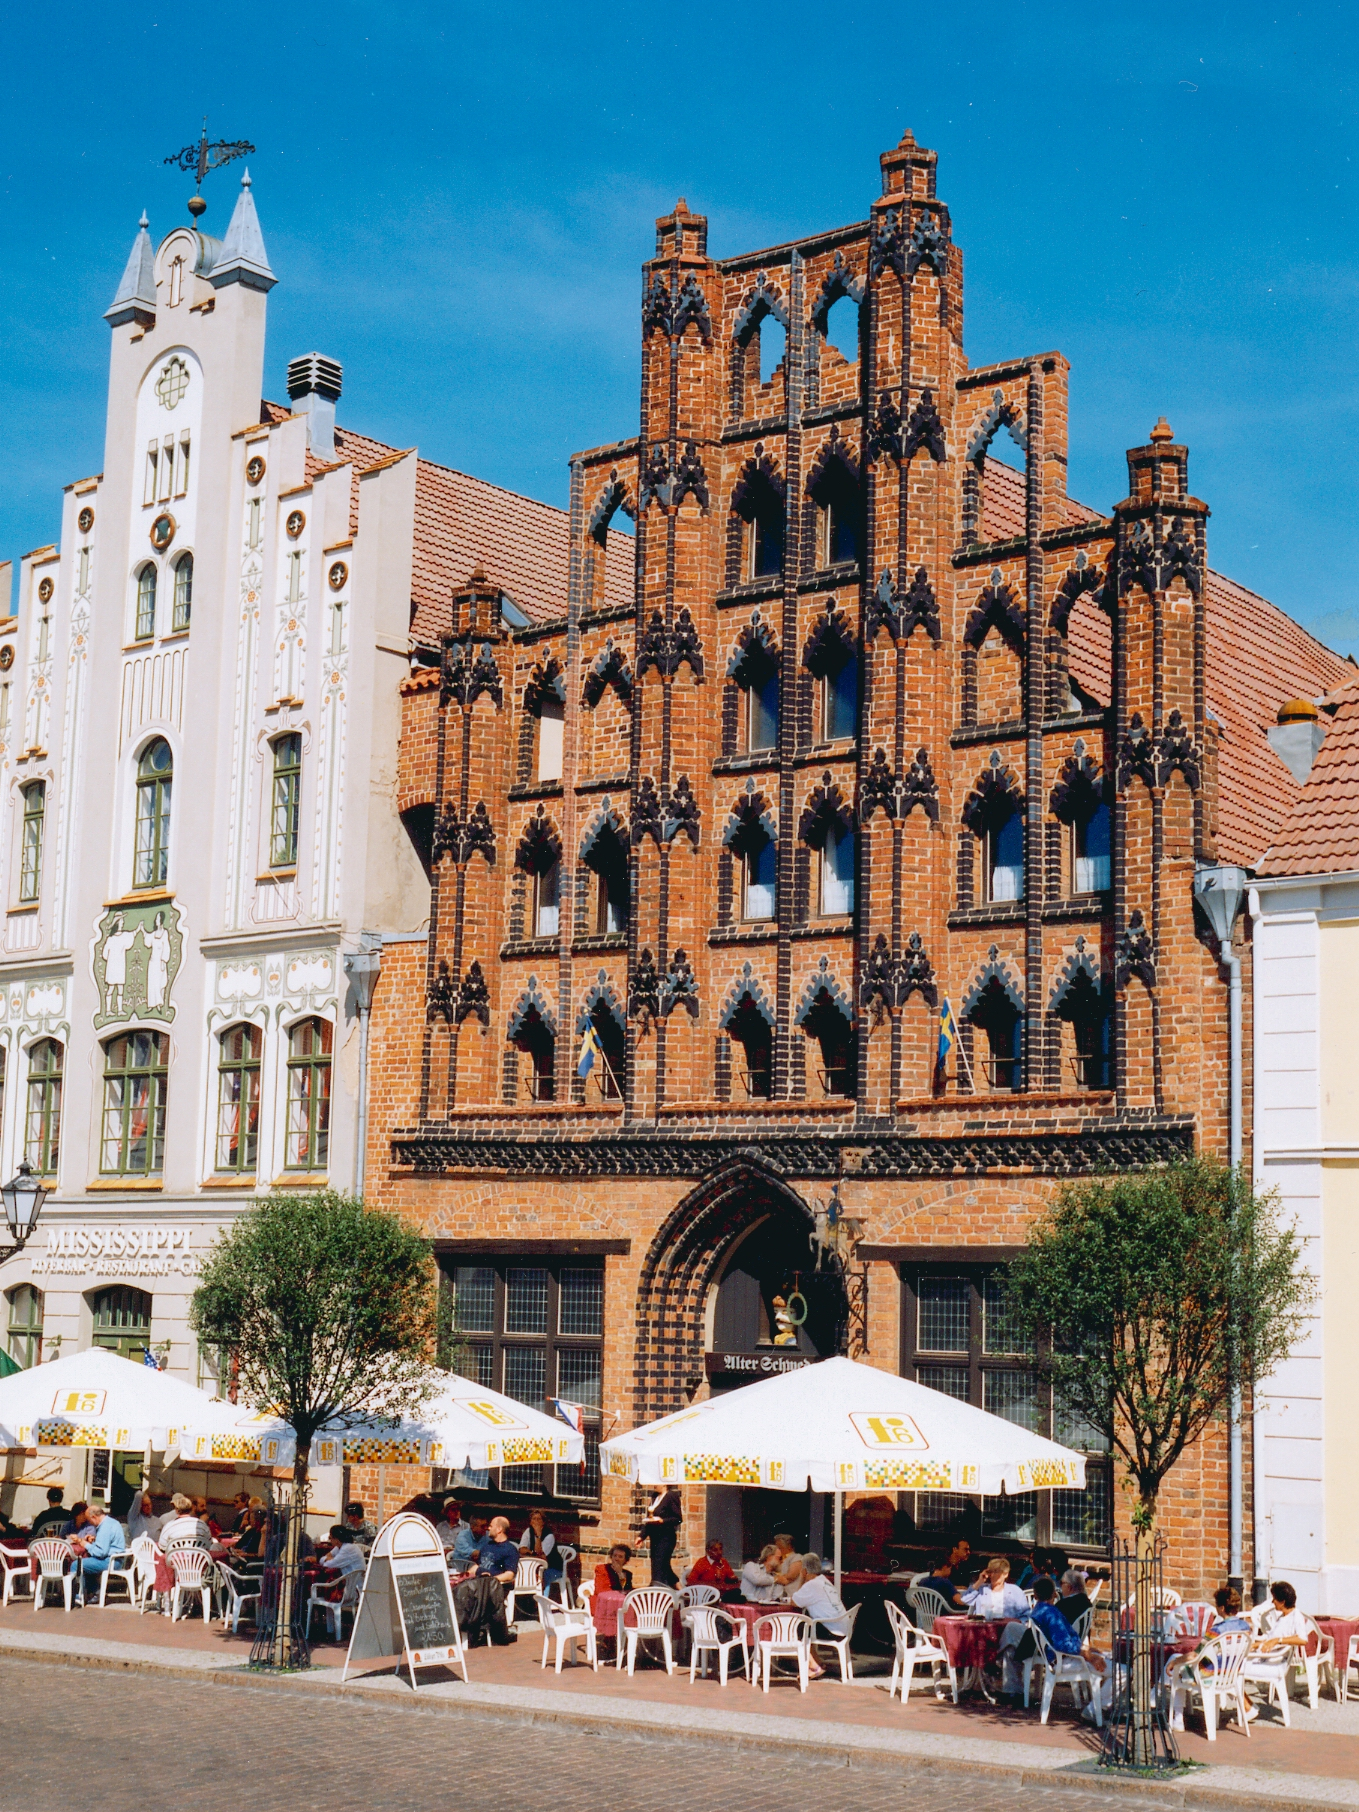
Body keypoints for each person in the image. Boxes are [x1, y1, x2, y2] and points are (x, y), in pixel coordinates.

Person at [1000, 1575, 1104, 1699]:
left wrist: (1087, 1654)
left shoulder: (1045, 1612)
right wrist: (1085, 1648)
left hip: (1045, 1648)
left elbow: (1062, 1643)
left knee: (1010, 1633)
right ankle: (1010, 1686)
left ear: (1035, 1596)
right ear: (1054, 1594)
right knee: (1010, 1640)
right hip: (1044, 1643)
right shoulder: (1056, 1611)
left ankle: (1003, 1675)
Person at [788, 1553, 850, 1678]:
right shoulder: (824, 1580)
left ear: (804, 1571)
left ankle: (814, 1666)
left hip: (832, 1631)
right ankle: (818, 1662)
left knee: (796, 1627)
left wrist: (802, 1579)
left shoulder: (811, 1584)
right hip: (843, 1628)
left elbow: (794, 1602)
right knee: (805, 1625)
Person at [70, 1503, 128, 1599]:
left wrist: (83, 1543)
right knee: (87, 1561)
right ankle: (95, 1592)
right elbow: (105, 1546)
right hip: (116, 1559)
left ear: (94, 1517)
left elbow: (100, 1552)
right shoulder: (111, 1522)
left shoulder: (105, 1527)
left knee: (76, 1565)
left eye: (89, 1520)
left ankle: (77, 1596)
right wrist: (94, 1542)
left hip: (110, 1561)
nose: (90, 1523)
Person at [960, 1556, 1030, 1621]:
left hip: (1008, 1627)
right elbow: (964, 1600)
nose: (992, 1575)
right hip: (985, 1627)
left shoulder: (1015, 1591)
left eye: (996, 1571)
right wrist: (979, 1581)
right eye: (990, 1571)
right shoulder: (982, 1589)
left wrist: (1016, 1625)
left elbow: (1025, 1614)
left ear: (1005, 1574)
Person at [641, 1486, 681, 1587]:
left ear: (664, 1484)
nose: (654, 1485)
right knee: (662, 1565)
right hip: (655, 1538)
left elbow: (678, 1518)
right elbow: (649, 1519)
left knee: (659, 1565)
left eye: (656, 1482)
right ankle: (679, 1588)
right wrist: (641, 1536)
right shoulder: (655, 1497)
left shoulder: (671, 1496)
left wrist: (662, 1521)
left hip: (666, 1538)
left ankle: (657, 1589)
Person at [518, 1508, 562, 1588]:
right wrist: (531, 1552)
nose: (536, 1521)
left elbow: (539, 1552)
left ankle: (542, 1595)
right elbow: (522, 1549)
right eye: (534, 1519)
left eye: (539, 1519)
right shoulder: (528, 1531)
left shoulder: (549, 1536)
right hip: (535, 1566)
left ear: (543, 1522)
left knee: (542, 1576)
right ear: (530, 1522)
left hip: (552, 1568)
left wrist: (538, 1536)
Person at [477, 1515, 521, 1586]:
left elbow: (509, 1574)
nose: (488, 1528)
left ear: (499, 1529)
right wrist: (464, 1575)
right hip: (477, 1582)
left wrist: (490, 1579)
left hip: (494, 1586)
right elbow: (478, 1566)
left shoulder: (510, 1549)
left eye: (491, 1526)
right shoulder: (487, 1545)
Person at [450, 1511, 487, 1576]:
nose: (486, 1528)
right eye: (483, 1526)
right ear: (472, 1527)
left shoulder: (487, 1536)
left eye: (486, 1525)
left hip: (477, 1569)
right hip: (460, 1570)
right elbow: (474, 1554)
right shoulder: (462, 1536)